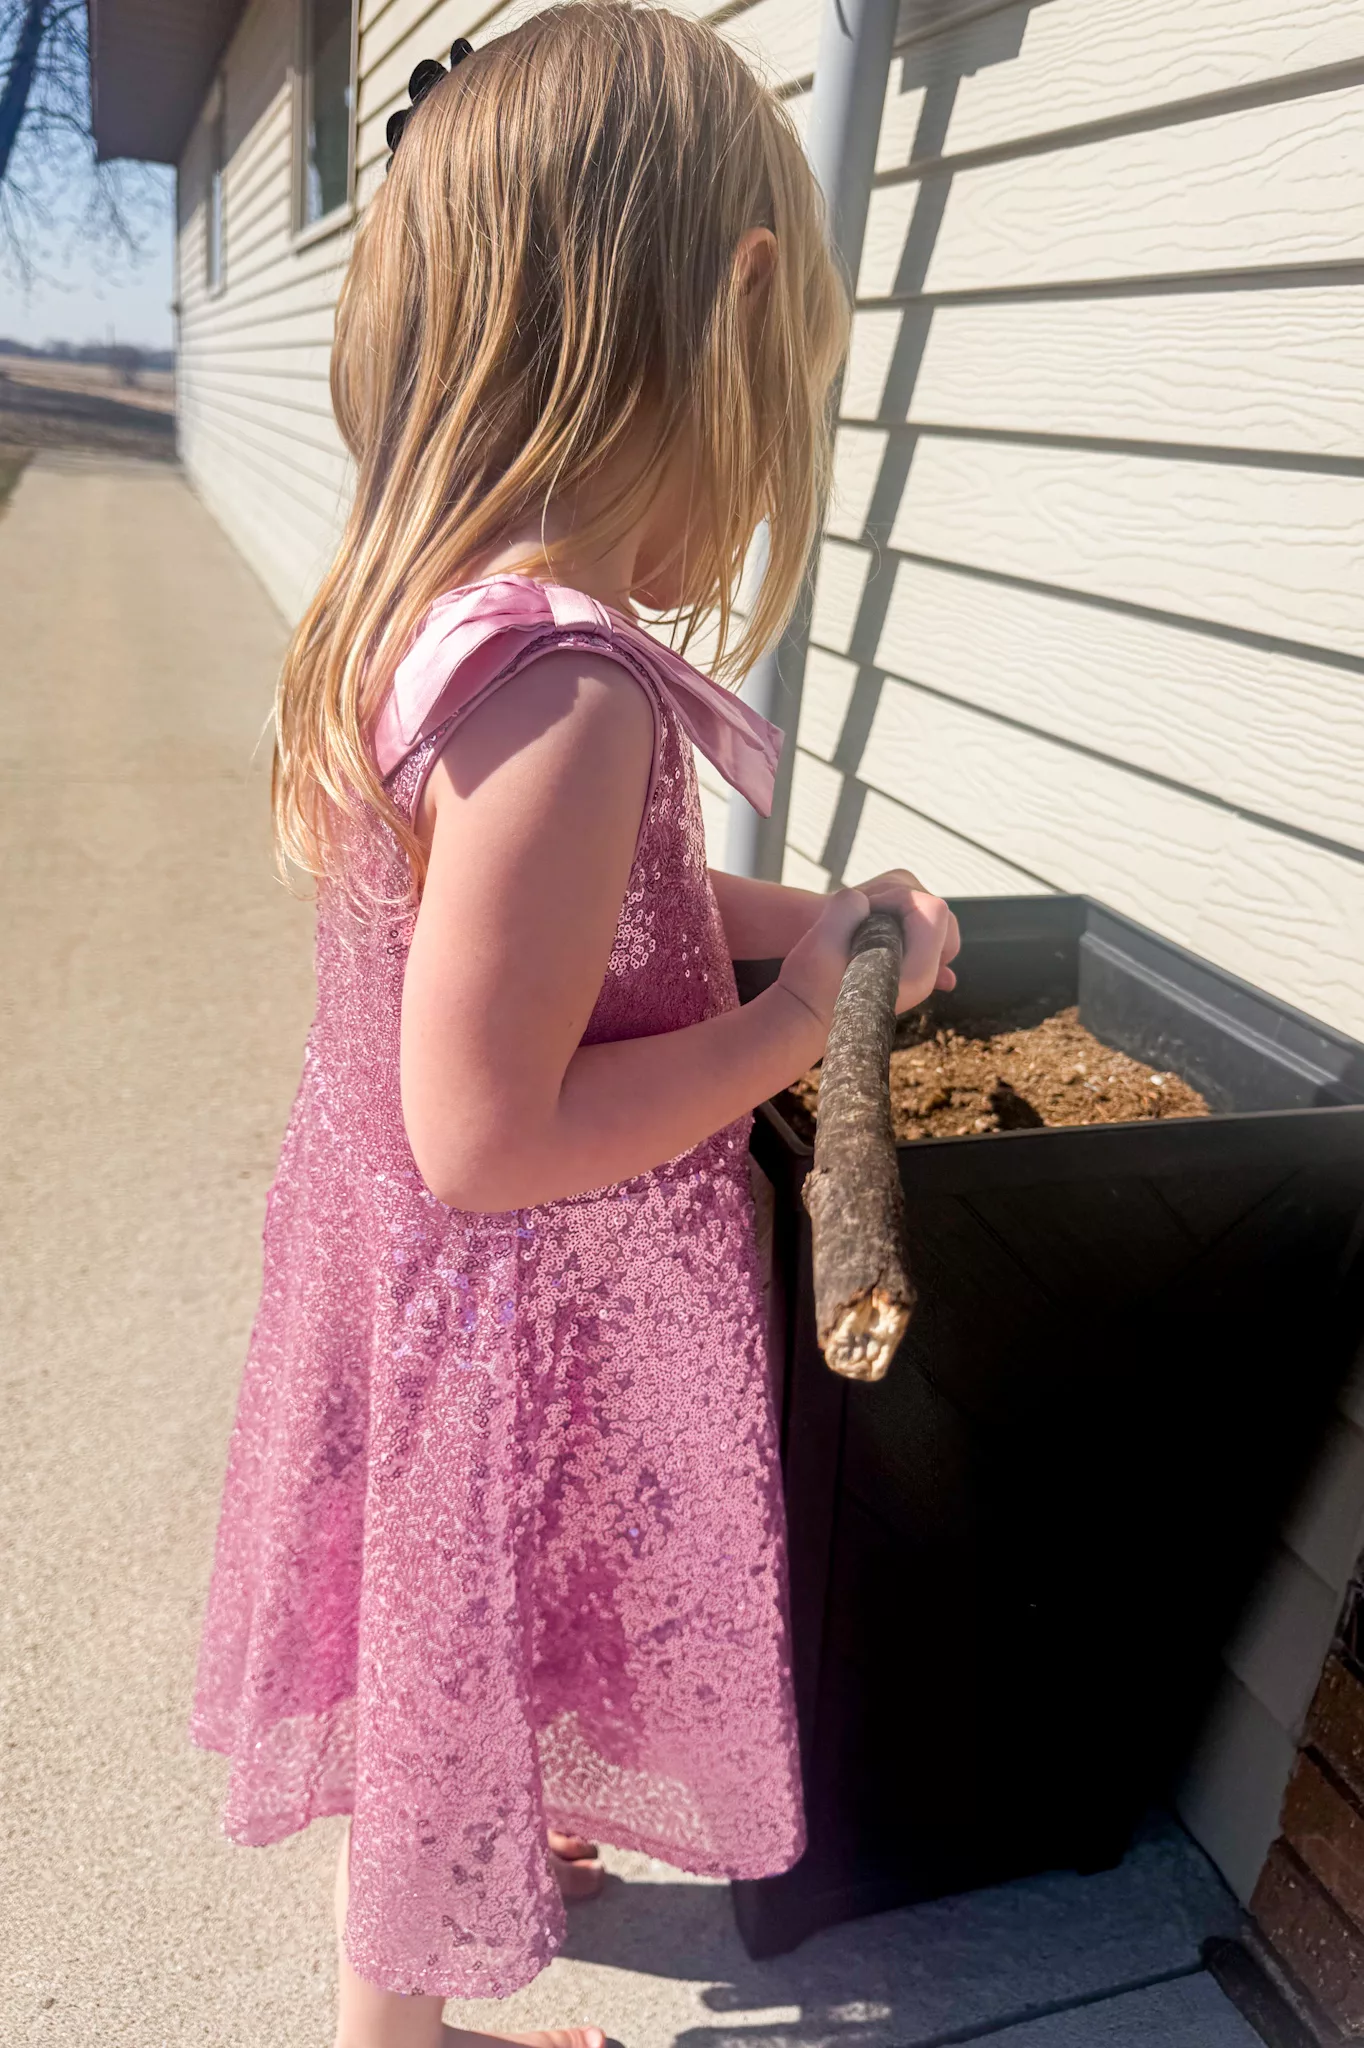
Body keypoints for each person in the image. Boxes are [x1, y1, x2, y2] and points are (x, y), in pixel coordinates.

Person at [190, 7, 959, 2046]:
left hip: (434, 1298)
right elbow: (490, 1125)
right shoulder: (568, 694)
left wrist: (820, 921)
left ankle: (449, 1948)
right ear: (731, 315)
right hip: (500, 1302)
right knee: (449, 1653)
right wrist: (791, 1024)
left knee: (458, 1639)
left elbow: (581, 915)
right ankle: (395, 2033)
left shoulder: (457, 623)